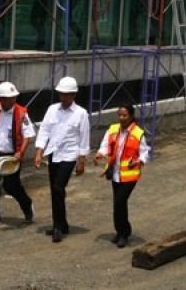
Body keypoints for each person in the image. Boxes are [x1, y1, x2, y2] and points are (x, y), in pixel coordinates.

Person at [34, 76, 90, 243]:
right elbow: (44, 130)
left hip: (70, 155)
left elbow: (84, 137)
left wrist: (81, 161)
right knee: (55, 190)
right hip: (54, 153)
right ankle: (60, 222)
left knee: (59, 188)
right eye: (61, 94)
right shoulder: (52, 110)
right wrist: (39, 152)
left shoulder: (81, 113)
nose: (63, 98)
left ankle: (59, 227)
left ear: (73, 95)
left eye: (67, 94)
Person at [0, 81, 36, 227]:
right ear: (1, 99)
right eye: (8, 98)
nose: (11, 101)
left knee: (11, 185)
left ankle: (27, 206)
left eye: (13, 98)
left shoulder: (21, 114)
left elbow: (28, 136)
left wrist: (20, 153)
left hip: (11, 156)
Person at [93, 104, 150, 248]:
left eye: (124, 115)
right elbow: (105, 145)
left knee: (120, 201)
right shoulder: (113, 129)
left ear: (131, 116)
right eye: (120, 115)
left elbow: (145, 152)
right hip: (115, 173)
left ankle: (125, 232)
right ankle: (120, 231)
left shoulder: (137, 133)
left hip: (130, 175)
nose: (121, 118)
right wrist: (100, 153)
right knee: (117, 204)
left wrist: (139, 161)